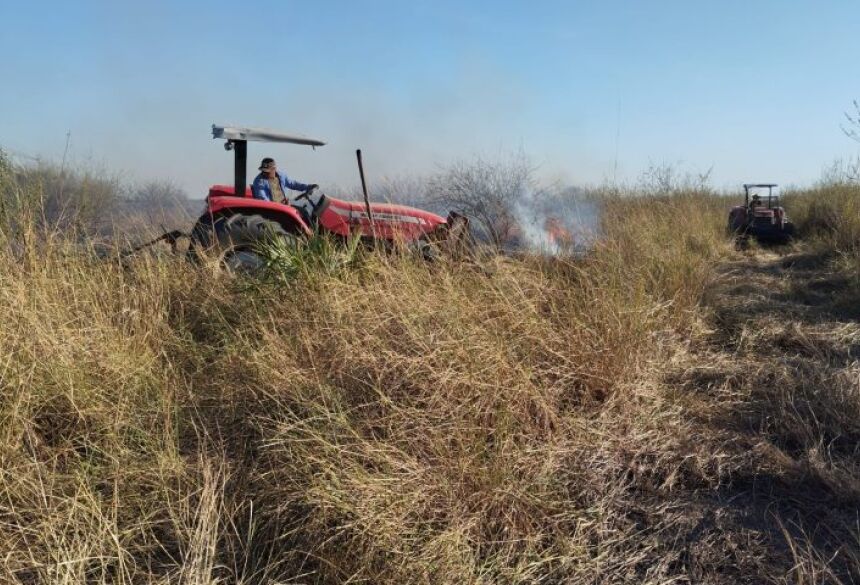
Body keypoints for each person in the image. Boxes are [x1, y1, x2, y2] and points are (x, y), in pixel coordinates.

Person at [251, 157, 317, 203]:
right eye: (263, 171)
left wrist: (307, 187)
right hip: (272, 209)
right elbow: (263, 200)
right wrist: (281, 206)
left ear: (274, 169)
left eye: (266, 171)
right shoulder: (259, 182)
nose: (264, 173)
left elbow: (293, 184)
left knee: (303, 212)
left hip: (283, 205)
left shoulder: (281, 176)